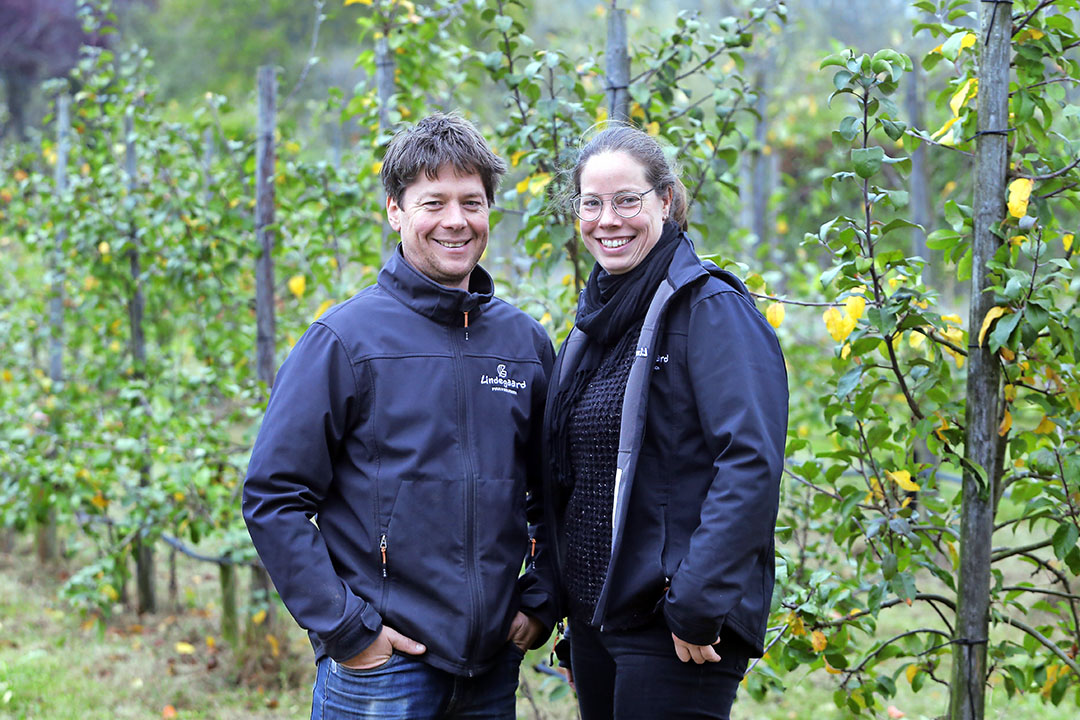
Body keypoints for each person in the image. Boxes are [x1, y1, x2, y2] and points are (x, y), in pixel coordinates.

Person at [242, 113, 558, 720]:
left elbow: (555, 492)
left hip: (491, 667)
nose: (455, 220)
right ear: (395, 210)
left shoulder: (523, 344)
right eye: (432, 201)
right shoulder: (345, 340)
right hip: (383, 672)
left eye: (472, 201)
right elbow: (273, 495)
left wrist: (540, 600)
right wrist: (349, 630)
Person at [543, 125, 788, 720]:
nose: (608, 219)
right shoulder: (599, 322)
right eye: (592, 203)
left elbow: (751, 462)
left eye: (628, 199)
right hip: (601, 619)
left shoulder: (709, 310)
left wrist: (698, 603)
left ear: (666, 201)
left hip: (675, 629)